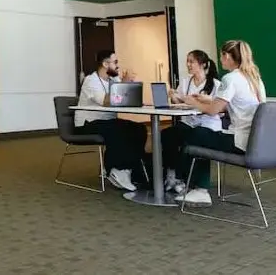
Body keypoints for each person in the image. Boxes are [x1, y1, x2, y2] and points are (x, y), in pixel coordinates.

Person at [177, 40, 266, 206]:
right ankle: (190, 184)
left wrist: (191, 101)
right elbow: (237, 102)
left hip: (239, 141)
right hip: (256, 143)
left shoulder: (230, 78)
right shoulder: (255, 79)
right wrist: (209, 99)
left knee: (197, 134)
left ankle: (199, 188)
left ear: (229, 57)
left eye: (222, 55)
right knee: (202, 135)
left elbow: (213, 110)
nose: (220, 59)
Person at [74, 50, 148, 191]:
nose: (118, 66)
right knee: (118, 130)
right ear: (105, 64)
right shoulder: (91, 80)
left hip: (107, 122)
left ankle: (132, 169)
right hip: (88, 123)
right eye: (115, 63)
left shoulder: (113, 80)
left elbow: (124, 99)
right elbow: (105, 101)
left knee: (139, 129)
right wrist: (125, 84)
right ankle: (117, 169)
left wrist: (129, 87)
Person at [161, 50, 222, 194]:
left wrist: (194, 102)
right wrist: (173, 96)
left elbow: (219, 109)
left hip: (207, 124)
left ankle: (182, 178)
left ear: (203, 64)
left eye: (191, 62)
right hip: (189, 122)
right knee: (168, 134)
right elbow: (179, 101)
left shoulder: (215, 84)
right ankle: (171, 173)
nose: (188, 65)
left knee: (190, 139)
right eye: (187, 61)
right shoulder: (186, 82)